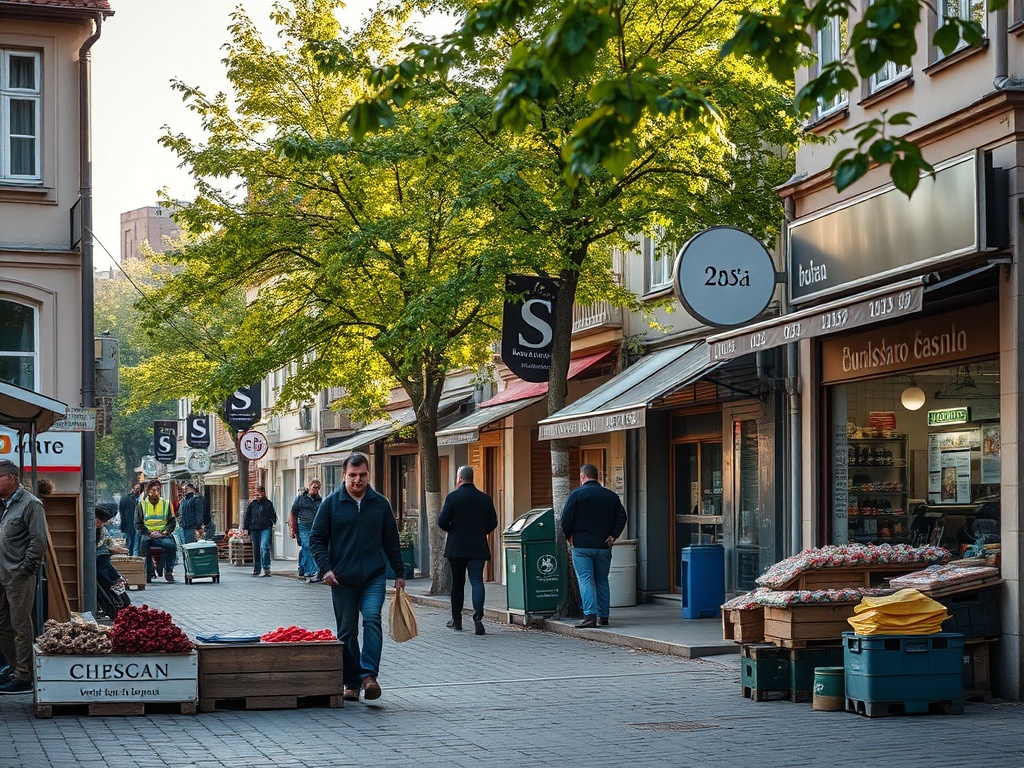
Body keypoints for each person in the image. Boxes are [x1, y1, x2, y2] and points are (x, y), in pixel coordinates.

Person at [310, 453, 404, 703]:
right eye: (352, 475)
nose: (357, 480)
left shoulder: (380, 504)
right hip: (342, 579)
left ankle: (369, 676)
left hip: (374, 576)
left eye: (362, 475)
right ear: (344, 475)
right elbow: (316, 539)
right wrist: (326, 569)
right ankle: (351, 682)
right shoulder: (331, 504)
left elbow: (391, 540)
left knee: (372, 619)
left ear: (368, 474)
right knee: (346, 632)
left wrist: (399, 573)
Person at [0, 460, 47, 694]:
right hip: (2, 573)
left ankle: (24, 675)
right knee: (3, 625)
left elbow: (39, 540)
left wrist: (25, 568)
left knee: (20, 625)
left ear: (11, 478)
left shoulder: (30, 504)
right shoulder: (4, 505)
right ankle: (14, 666)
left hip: (18, 574)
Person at [561, 463, 626, 629]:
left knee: (586, 579)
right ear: (597, 477)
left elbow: (565, 519)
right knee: (602, 580)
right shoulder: (610, 496)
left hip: (582, 546)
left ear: (583, 476)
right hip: (604, 546)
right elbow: (622, 516)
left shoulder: (577, 494)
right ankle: (603, 616)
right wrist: (613, 535)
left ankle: (590, 616)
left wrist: (570, 537)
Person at [437, 465, 497, 635]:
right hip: (478, 546)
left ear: (459, 478)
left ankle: (457, 620)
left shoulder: (453, 497)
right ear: (472, 478)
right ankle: (478, 616)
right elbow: (493, 522)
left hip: (456, 547)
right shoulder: (485, 498)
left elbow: (442, 521)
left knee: (457, 583)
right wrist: (480, 532)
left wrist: (453, 530)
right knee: (477, 580)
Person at [135, 480, 177, 583]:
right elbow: (138, 524)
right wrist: (149, 533)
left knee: (171, 546)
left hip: (162, 535)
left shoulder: (166, 504)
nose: (155, 492)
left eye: (157, 490)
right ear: (148, 491)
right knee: (143, 545)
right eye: (153, 490)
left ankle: (168, 571)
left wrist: (165, 532)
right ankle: (148, 572)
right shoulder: (141, 505)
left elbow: (172, 522)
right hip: (148, 535)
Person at [290, 478, 323, 582]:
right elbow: (292, 513)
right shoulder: (301, 499)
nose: (316, 490)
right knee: (307, 546)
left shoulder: (320, 500)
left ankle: (302, 568)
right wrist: (293, 529)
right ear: (309, 487)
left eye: (318, 488)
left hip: (315, 527)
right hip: (303, 526)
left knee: (307, 547)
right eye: (314, 488)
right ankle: (311, 571)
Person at [242, 485, 277, 577]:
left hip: (265, 528)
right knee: (256, 549)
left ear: (263, 493)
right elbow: (247, 516)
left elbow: (273, 515)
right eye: (256, 494)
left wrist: (271, 522)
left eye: (259, 494)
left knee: (264, 547)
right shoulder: (252, 504)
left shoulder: (268, 503)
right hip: (254, 529)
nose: (257, 496)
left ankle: (266, 568)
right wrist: (245, 528)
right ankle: (257, 569)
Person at [118, 482, 142, 555]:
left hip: (138, 524)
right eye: (136, 488)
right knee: (130, 540)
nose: (137, 490)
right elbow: (122, 513)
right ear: (132, 489)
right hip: (130, 524)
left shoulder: (140, 499)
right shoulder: (127, 499)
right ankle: (129, 554)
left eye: (139, 488)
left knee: (135, 541)